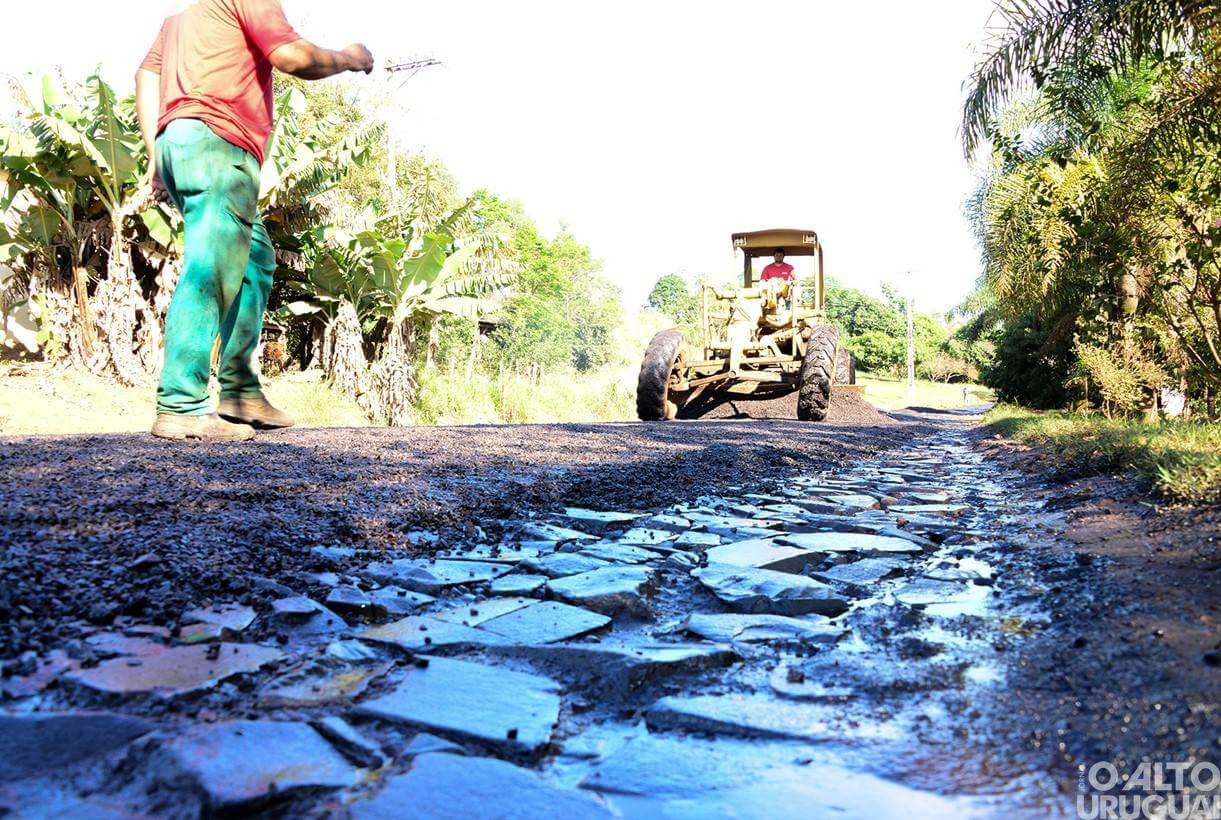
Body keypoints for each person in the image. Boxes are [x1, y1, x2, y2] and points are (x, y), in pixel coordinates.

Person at [136, 0, 373, 441]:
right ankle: (180, 404)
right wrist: (349, 58)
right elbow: (292, 57)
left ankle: (240, 391)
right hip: (217, 141)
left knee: (255, 258)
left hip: (181, 141)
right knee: (211, 266)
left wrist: (156, 152)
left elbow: (146, 76)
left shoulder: (178, 21)